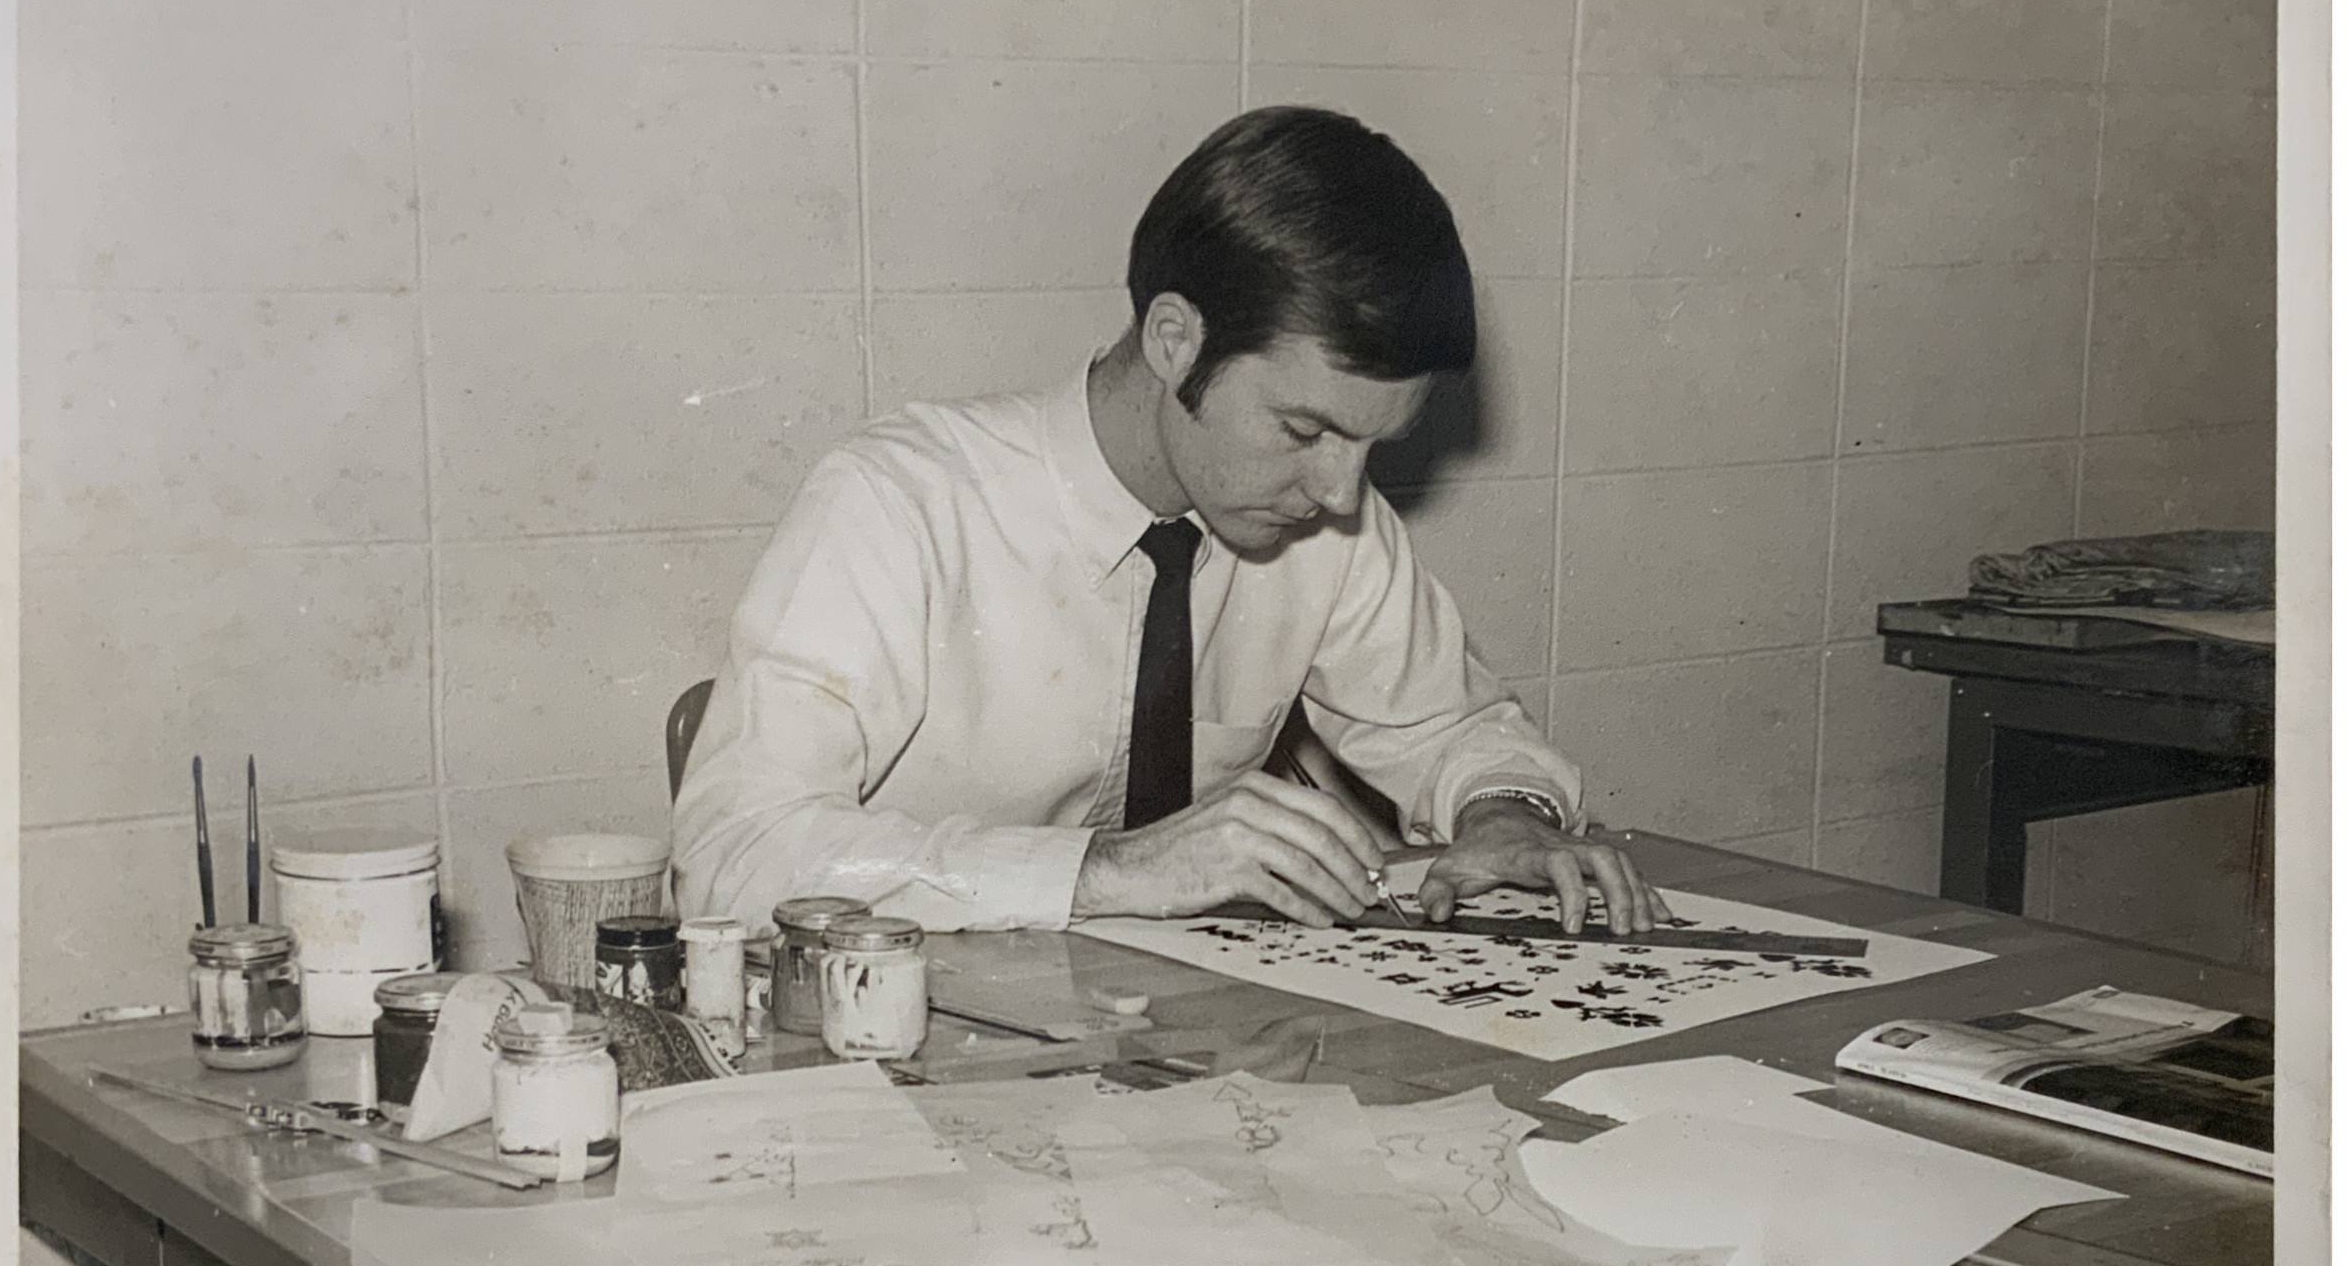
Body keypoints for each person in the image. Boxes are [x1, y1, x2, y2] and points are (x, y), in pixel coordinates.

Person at [673, 106, 1667, 939]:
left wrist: (1505, 813)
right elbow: (731, 856)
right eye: (1304, 429)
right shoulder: (904, 502)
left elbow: (1452, 727)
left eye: (1373, 444)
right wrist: (1108, 871)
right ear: (1175, 339)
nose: (1340, 494)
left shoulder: (1323, 517)